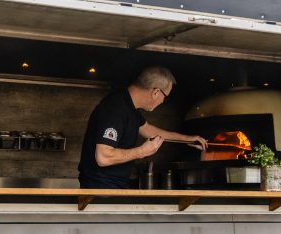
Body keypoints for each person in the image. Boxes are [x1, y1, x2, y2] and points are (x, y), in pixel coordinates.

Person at [78, 66, 206, 189]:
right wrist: (142, 151)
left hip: (113, 186)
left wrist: (188, 139)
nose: (162, 101)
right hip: (99, 188)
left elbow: (150, 131)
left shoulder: (130, 107)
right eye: (165, 97)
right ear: (155, 92)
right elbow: (103, 157)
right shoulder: (115, 108)